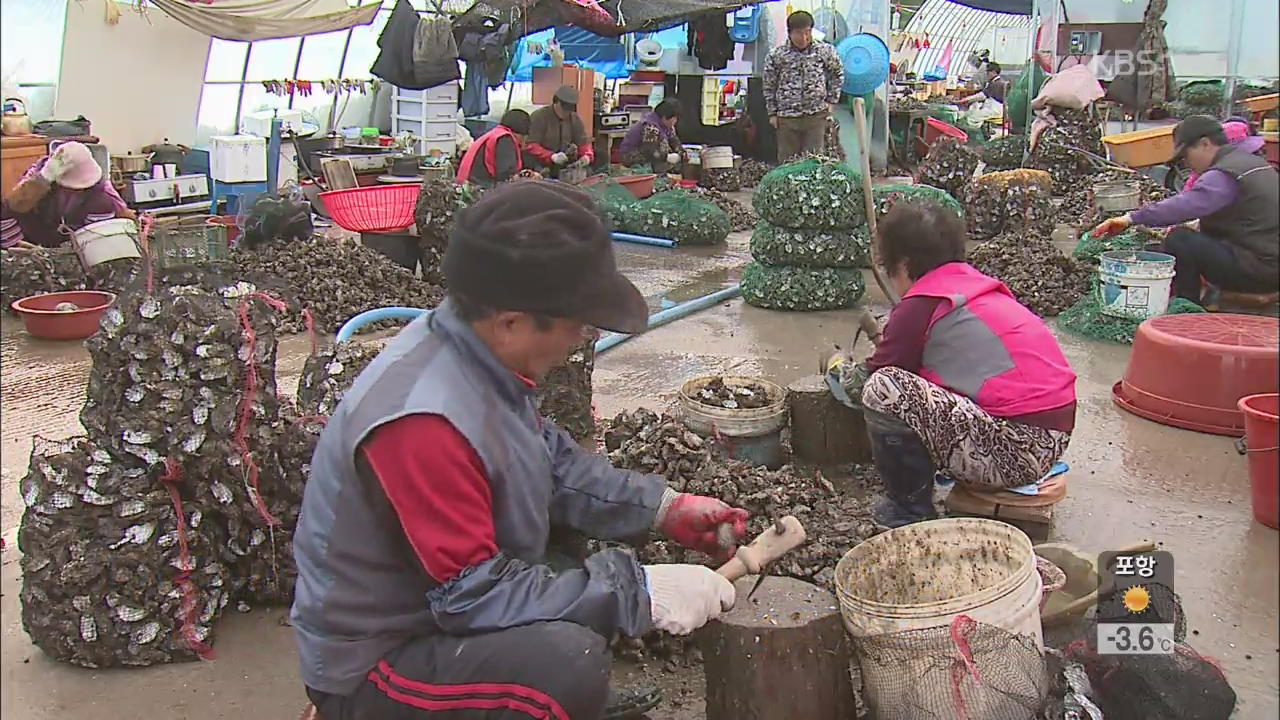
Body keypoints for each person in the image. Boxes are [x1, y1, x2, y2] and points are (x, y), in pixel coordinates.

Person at [291, 180, 750, 720]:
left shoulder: (477, 357)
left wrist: (664, 507)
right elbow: (474, 596)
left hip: (435, 610)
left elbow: (551, 463)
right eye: (575, 325)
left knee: (569, 562)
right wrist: (639, 593)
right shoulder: (423, 423)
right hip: (377, 658)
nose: (581, 338)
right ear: (510, 321)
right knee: (567, 666)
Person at [827, 202, 1077, 528]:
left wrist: (834, 367)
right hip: (1051, 440)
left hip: (1017, 450)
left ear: (901, 263)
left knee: (884, 388)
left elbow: (866, 384)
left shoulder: (921, 305)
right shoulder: (974, 288)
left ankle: (909, 509)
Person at [1091, 115, 1279, 303]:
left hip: (1260, 269)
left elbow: (1185, 206)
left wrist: (1130, 218)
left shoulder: (1224, 173)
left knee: (1180, 239)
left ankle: (1187, 306)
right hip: (1268, 262)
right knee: (1189, 237)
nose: (1186, 163)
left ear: (1205, 144)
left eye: (1185, 155)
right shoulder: (1253, 164)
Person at [1, 141, 135, 255]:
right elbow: (10, 208)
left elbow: (96, 241)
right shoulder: (38, 174)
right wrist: (16, 247)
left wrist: (52, 255)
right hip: (32, 238)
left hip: (74, 248)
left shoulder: (102, 197)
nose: (78, 189)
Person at [762, 11, 845, 162]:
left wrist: (832, 101)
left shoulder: (824, 51)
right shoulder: (777, 55)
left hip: (816, 115)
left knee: (814, 161)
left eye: (807, 32)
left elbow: (837, 73)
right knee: (788, 163)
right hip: (787, 117)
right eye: (799, 33)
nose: (804, 38)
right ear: (790, 33)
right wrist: (772, 113)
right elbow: (769, 84)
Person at [526, 85, 595, 177]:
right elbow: (530, 145)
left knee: (589, 170)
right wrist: (551, 156)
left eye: (570, 109)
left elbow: (583, 142)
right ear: (556, 101)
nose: (566, 112)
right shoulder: (539, 117)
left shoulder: (574, 119)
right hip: (541, 163)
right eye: (564, 108)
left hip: (565, 161)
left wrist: (587, 156)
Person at [456, 109, 532, 187]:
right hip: (478, 188)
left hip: (467, 184)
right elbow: (506, 175)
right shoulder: (505, 139)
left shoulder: (495, 134)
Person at [618, 99, 685, 173]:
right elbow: (650, 152)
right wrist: (667, 157)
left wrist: (682, 153)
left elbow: (674, 141)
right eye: (674, 118)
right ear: (665, 117)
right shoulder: (650, 126)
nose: (676, 121)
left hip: (652, 154)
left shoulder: (668, 127)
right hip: (632, 155)